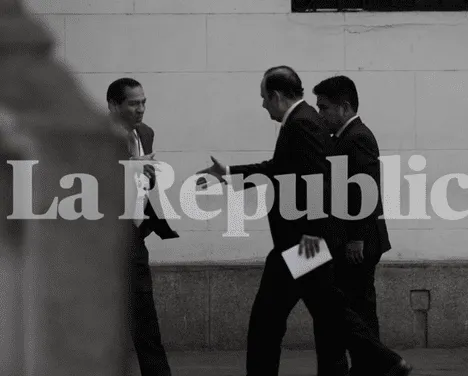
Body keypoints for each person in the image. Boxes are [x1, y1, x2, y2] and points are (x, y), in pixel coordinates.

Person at [196, 66, 412, 376]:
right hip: (300, 240)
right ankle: (386, 361)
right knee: (323, 308)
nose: (262, 105)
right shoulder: (303, 120)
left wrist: (313, 235)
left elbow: (318, 182)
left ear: (276, 96)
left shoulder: (302, 124)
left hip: (302, 240)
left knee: (280, 316)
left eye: (263, 98)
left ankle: (385, 361)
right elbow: (279, 168)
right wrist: (228, 173)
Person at [313, 75, 391, 376]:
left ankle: (374, 366)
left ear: (344, 107)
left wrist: (356, 238)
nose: (320, 114)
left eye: (324, 108)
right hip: (349, 239)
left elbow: (365, 189)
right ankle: (369, 366)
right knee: (354, 307)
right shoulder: (343, 136)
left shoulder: (358, 137)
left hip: (359, 241)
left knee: (359, 308)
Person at [107, 77, 178, 376]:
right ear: (113, 105)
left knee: (144, 315)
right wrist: (132, 166)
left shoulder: (145, 134)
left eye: (143, 102)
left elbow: (144, 178)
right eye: (133, 103)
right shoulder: (95, 137)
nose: (141, 109)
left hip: (134, 235)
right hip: (103, 238)